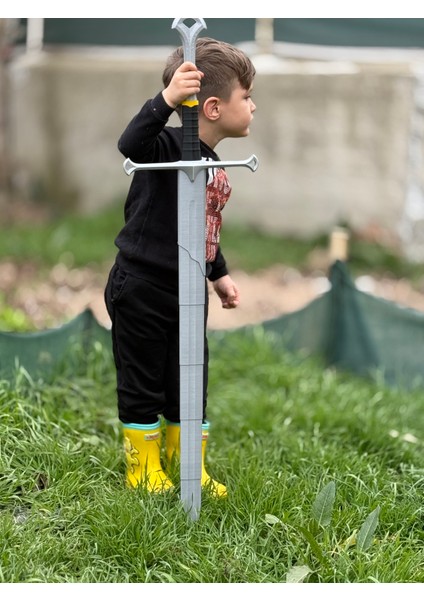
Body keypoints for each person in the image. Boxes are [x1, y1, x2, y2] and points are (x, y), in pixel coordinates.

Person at [104, 36, 256, 497]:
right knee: (143, 379)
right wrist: (166, 101)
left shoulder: (215, 161)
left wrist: (219, 272)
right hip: (142, 286)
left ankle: (188, 463)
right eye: (246, 97)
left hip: (189, 289)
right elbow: (129, 143)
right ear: (213, 108)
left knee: (188, 378)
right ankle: (143, 467)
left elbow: (204, 225)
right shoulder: (165, 147)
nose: (254, 107)